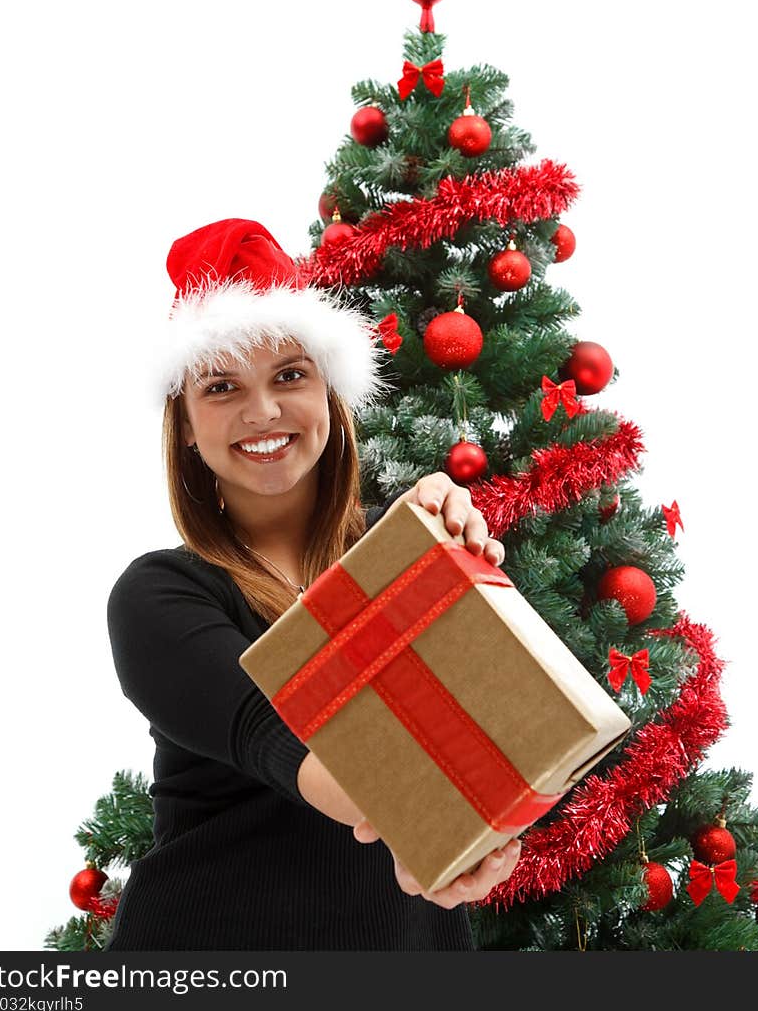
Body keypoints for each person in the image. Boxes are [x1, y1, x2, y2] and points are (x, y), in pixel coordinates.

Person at [103, 217, 521, 951]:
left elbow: (505, 724)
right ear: (188, 430)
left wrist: (446, 563)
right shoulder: (158, 597)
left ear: (331, 392)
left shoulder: (404, 547)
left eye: (290, 375)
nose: (262, 412)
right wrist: (423, 827)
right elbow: (281, 736)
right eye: (222, 386)